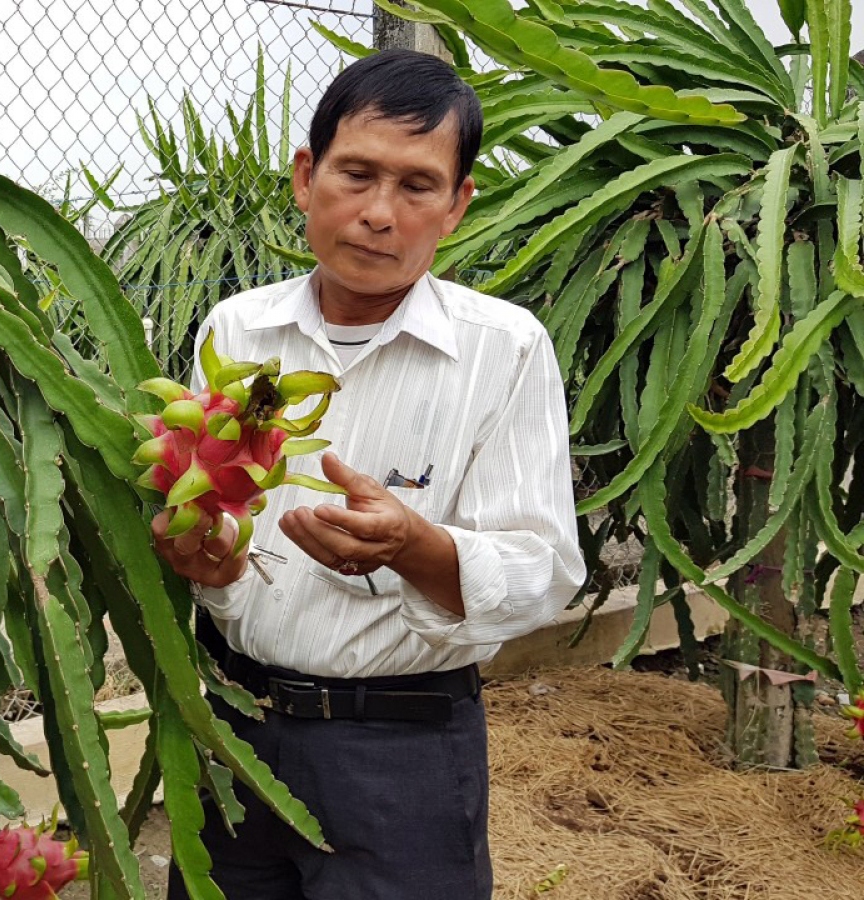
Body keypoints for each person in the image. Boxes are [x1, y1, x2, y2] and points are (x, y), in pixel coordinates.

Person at [154, 49, 586, 900]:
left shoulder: (504, 350)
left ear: (458, 205)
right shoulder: (236, 328)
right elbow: (208, 510)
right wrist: (210, 564)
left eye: (418, 187)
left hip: (403, 755)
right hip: (233, 727)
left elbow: (545, 572)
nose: (379, 214)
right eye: (355, 174)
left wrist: (417, 548)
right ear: (307, 176)